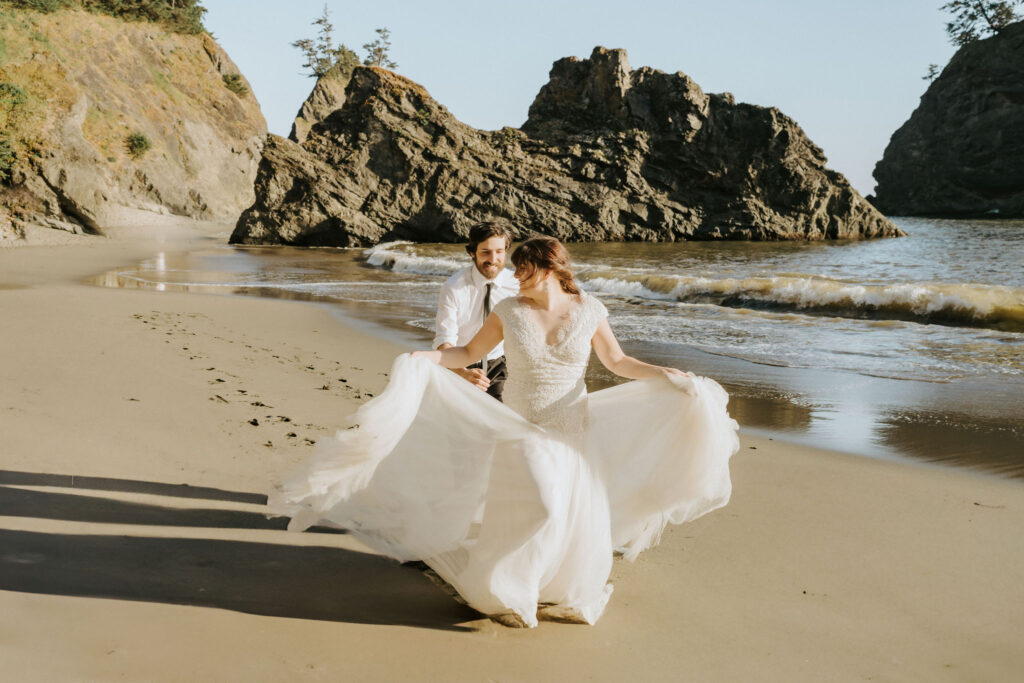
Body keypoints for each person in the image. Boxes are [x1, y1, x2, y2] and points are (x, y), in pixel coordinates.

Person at [269, 237, 738, 628]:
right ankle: (506, 590)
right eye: (515, 269)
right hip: (520, 422)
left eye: (525, 268)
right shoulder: (510, 311)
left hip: (572, 423)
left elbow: (618, 363)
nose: (516, 276)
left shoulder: (590, 309)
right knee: (544, 504)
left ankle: (541, 586)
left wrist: (666, 374)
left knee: (565, 510)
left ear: (550, 268)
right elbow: (468, 351)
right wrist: (425, 358)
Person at [433, 221, 519, 400]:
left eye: (499, 252)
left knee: (503, 416)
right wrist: (461, 373)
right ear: (472, 252)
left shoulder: (518, 284)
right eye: (485, 252)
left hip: (501, 363)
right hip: (461, 363)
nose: (493, 259)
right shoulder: (453, 287)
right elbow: (445, 339)